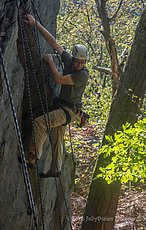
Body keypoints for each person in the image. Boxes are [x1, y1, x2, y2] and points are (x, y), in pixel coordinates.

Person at [25, 14, 89, 177]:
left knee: (39, 123)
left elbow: (59, 79)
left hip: (69, 111)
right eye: (77, 61)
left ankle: (32, 157)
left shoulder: (82, 75)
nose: (79, 65)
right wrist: (36, 24)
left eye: (82, 63)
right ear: (73, 58)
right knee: (57, 139)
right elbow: (53, 42)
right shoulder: (69, 61)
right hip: (64, 107)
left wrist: (50, 62)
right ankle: (56, 170)